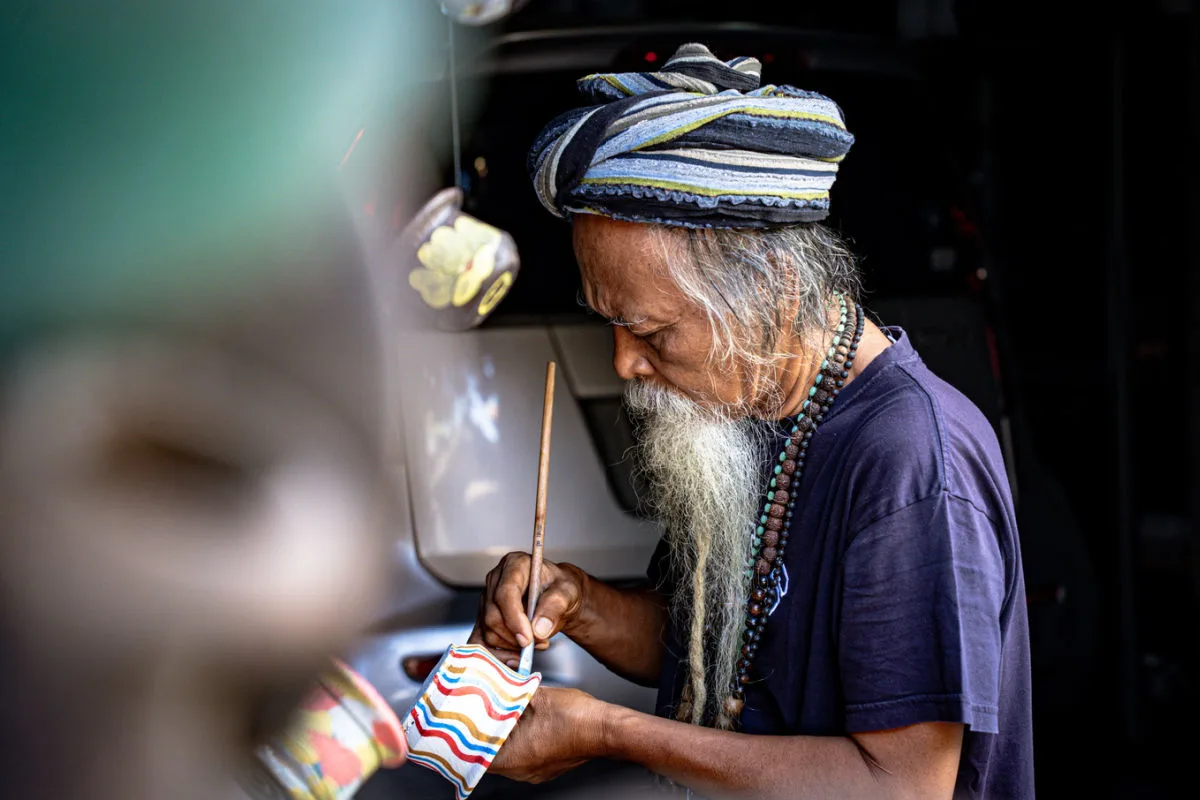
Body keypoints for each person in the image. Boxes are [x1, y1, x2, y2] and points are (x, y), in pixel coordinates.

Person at [469, 43, 1034, 799]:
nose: (625, 364)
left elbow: (899, 785)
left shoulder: (911, 462)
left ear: (768, 288)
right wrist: (576, 602)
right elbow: (715, 647)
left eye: (651, 331)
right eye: (609, 325)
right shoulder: (758, 405)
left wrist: (610, 732)